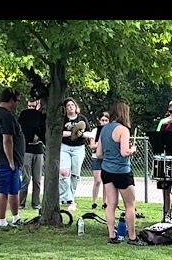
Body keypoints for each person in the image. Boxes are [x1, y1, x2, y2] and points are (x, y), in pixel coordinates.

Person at [97, 101, 147, 246]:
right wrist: (133, 149)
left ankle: (112, 235)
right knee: (130, 205)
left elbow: (99, 153)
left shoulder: (104, 129)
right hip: (122, 172)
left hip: (106, 170)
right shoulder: (123, 130)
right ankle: (132, 237)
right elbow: (124, 152)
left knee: (111, 204)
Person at [0, 88, 25, 227]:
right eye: (17, 101)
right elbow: (7, 140)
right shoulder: (5, 116)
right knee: (3, 189)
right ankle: (1, 221)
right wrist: (10, 161)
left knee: (14, 189)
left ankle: (16, 217)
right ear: (11, 100)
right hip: (6, 160)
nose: (17, 104)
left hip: (13, 160)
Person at [60, 97, 91, 210]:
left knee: (75, 174)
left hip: (78, 148)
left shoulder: (82, 119)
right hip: (65, 147)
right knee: (64, 172)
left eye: (72, 105)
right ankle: (65, 198)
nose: (70, 107)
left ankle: (70, 198)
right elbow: (59, 133)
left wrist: (80, 134)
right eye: (68, 105)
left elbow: (88, 133)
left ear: (75, 106)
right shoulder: (62, 119)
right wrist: (72, 133)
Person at [18, 98, 46, 210]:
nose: (31, 109)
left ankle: (36, 203)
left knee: (37, 179)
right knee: (26, 178)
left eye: (33, 106)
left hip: (38, 151)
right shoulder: (24, 117)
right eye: (29, 106)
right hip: (27, 150)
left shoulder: (41, 118)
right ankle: (21, 202)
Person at [89, 112, 110, 209]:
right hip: (96, 158)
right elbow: (92, 146)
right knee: (97, 180)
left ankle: (105, 202)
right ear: (99, 121)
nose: (104, 122)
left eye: (106, 120)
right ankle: (94, 201)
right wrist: (100, 144)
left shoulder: (110, 131)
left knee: (106, 181)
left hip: (106, 158)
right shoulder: (95, 131)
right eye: (103, 120)